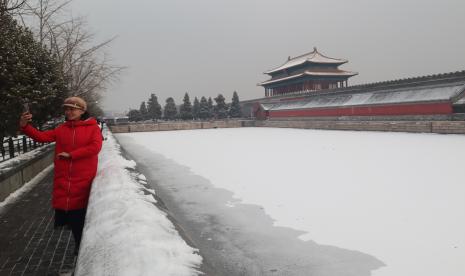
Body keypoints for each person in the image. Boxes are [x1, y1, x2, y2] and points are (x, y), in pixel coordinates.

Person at [19, 96, 103, 255]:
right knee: (71, 217)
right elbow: (42, 137)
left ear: (82, 111)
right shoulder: (62, 129)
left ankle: (81, 250)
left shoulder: (92, 128)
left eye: (72, 109)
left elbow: (95, 147)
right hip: (64, 181)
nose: (69, 112)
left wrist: (72, 155)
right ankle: (79, 248)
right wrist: (25, 126)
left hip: (83, 181)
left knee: (80, 218)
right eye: (66, 109)